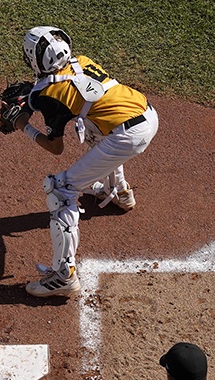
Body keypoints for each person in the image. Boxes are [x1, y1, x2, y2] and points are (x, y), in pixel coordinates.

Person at [14, 26, 159, 298]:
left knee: (60, 190)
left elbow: (55, 148)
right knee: (92, 125)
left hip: (126, 136)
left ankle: (63, 276)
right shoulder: (82, 61)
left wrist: (24, 126)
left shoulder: (48, 95)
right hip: (147, 113)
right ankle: (118, 192)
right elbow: (73, 91)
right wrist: (36, 97)